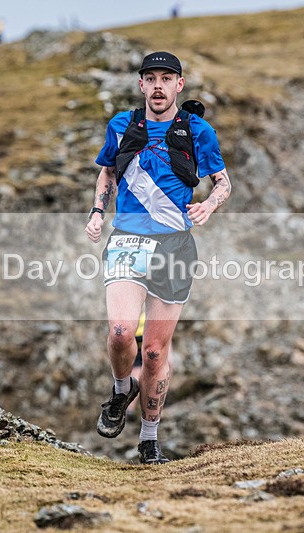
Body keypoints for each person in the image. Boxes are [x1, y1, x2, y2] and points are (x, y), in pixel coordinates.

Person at [86, 51, 232, 464]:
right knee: (119, 332)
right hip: (128, 240)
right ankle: (120, 391)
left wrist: (209, 205)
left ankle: (149, 440)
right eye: (150, 78)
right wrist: (98, 211)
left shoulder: (198, 131)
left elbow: (223, 182)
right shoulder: (123, 125)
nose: (157, 86)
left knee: (153, 353)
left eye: (166, 78)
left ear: (179, 85)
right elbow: (108, 171)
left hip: (175, 246)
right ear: (141, 85)